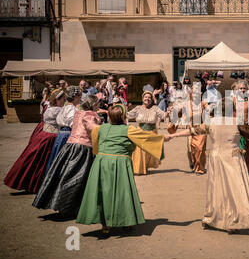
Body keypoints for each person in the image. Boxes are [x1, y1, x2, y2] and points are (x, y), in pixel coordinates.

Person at [168, 100, 249, 234]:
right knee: (235, 189)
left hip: (216, 158)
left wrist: (173, 135)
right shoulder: (238, 121)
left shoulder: (211, 122)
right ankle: (234, 220)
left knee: (218, 189)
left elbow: (192, 131)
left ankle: (216, 218)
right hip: (233, 158)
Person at [76, 105, 170, 234]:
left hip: (101, 162)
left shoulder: (100, 129)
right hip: (120, 163)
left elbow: (95, 145)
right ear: (123, 117)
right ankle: (125, 221)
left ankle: (105, 225)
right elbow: (147, 137)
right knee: (122, 192)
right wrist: (164, 138)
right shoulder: (128, 130)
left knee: (103, 193)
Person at [32, 95, 102, 216]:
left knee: (63, 174)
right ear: (93, 104)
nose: (99, 105)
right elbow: (94, 129)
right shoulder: (90, 115)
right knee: (76, 177)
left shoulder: (78, 113)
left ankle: (61, 203)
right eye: (98, 103)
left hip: (70, 145)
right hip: (83, 147)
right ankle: (67, 206)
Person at [4, 89, 66, 193]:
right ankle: (35, 184)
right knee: (41, 162)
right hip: (50, 137)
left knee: (35, 160)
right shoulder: (57, 110)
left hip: (43, 136)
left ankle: (33, 184)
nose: (64, 100)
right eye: (63, 99)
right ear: (57, 100)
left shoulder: (49, 107)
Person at [127, 91, 170, 175]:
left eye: (149, 98)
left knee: (148, 152)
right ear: (143, 98)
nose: (147, 99)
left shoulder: (155, 108)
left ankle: (145, 167)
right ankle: (138, 169)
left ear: (152, 100)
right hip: (140, 133)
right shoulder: (138, 108)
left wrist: (168, 112)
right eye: (145, 97)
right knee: (140, 152)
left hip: (151, 133)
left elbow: (163, 115)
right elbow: (128, 115)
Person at [43, 86, 82, 176]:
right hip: (67, 136)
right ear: (75, 98)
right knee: (64, 161)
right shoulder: (71, 109)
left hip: (61, 135)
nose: (80, 99)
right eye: (79, 97)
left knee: (58, 159)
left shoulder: (65, 107)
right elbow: (72, 123)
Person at [186, 83, 207, 175]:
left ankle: (200, 168)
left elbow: (209, 109)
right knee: (191, 150)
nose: (195, 94)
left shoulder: (203, 103)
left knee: (200, 148)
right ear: (191, 94)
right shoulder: (187, 104)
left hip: (201, 128)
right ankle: (193, 163)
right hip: (190, 128)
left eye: (197, 93)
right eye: (194, 92)